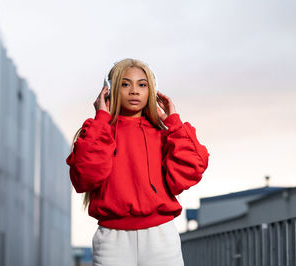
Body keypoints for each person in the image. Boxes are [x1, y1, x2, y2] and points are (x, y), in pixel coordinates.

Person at [66, 58, 209, 266]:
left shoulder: (164, 134)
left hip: (161, 237)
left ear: (151, 90)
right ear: (109, 91)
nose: (134, 91)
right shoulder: (98, 132)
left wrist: (174, 121)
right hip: (112, 240)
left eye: (142, 85)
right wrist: (101, 120)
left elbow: (191, 170)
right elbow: (84, 177)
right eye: (125, 84)